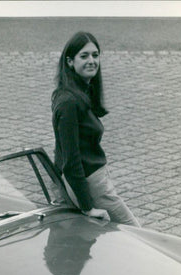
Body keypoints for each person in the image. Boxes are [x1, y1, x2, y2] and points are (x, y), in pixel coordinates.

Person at [51, 31, 141, 227]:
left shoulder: (80, 91)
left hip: (92, 180)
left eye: (95, 55)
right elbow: (70, 159)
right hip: (91, 184)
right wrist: (87, 207)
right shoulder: (69, 102)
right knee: (135, 233)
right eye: (84, 56)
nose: (91, 60)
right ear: (69, 62)